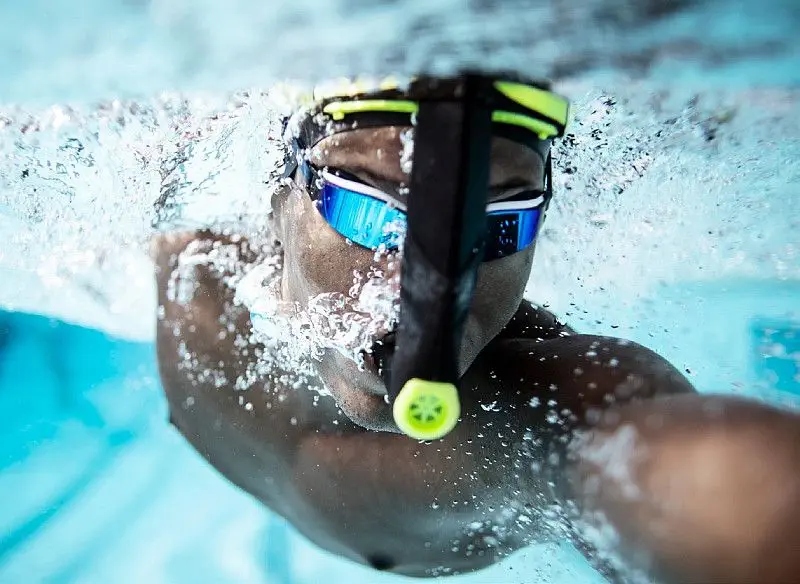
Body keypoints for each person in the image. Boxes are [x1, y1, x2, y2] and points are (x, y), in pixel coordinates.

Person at [152, 74, 800, 583]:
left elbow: (712, 485)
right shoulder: (189, 259)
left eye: (497, 224)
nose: (407, 287)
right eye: (364, 209)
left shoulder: (540, 408)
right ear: (280, 195)